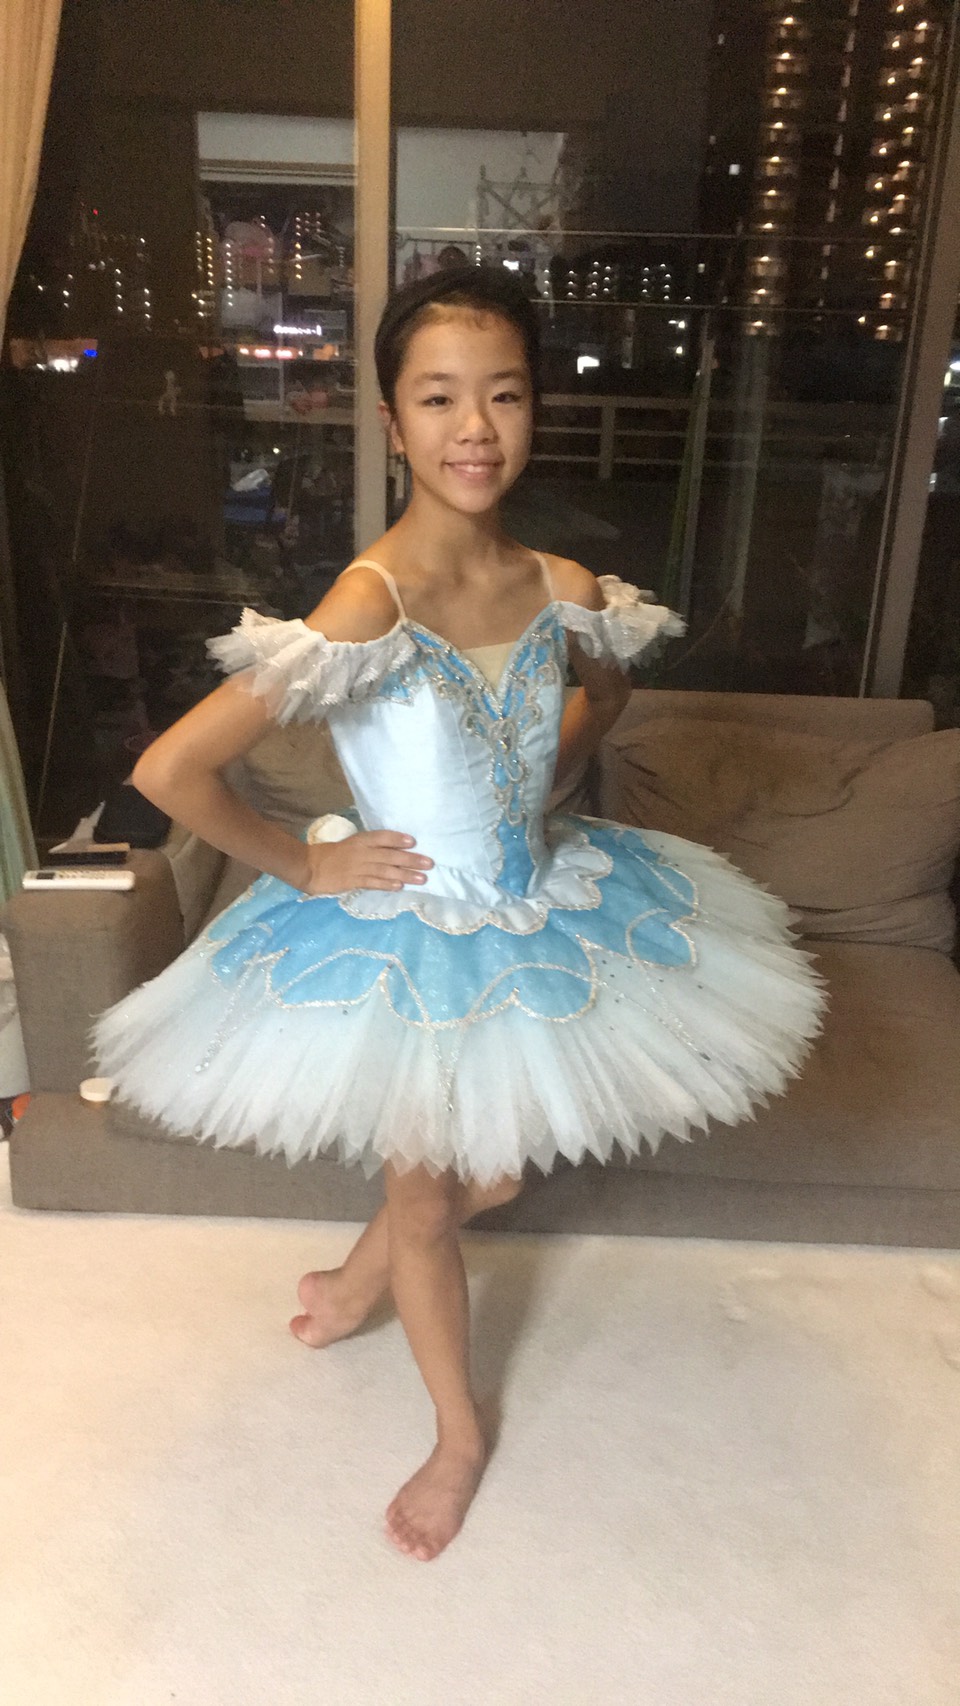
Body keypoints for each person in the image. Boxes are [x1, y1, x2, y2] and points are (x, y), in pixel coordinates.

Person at [94, 265, 828, 1565]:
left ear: (536, 407)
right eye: (438, 398)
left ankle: (356, 1280)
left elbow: (602, 693)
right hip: (406, 930)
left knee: (490, 1167)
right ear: (392, 421)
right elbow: (171, 771)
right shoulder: (368, 601)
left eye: (504, 394)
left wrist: (527, 788)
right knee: (431, 1197)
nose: (474, 428)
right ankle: (457, 1434)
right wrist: (304, 865)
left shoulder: (564, 583)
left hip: (538, 902)